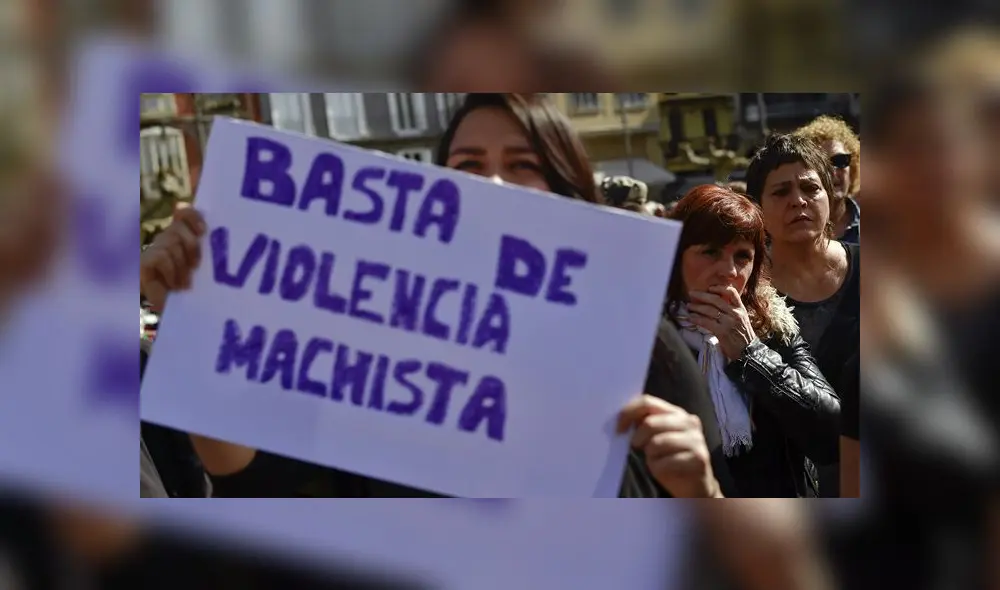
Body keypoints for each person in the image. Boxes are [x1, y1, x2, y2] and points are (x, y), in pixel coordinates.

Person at [140, 93, 730, 498]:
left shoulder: (639, 346)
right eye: (467, 164)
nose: (492, 183)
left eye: (521, 165)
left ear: (566, 188)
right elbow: (254, 477)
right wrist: (194, 316)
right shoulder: (375, 345)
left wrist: (699, 492)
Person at [664, 184, 841, 497]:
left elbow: (831, 438)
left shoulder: (773, 326)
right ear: (677, 257)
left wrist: (751, 354)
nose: (729, 271)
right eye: (710, 252)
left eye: (743, 256)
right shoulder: (650, 338)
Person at [744, 133, 859, 497]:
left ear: (830, 194)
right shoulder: (748, 294)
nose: (798, 201)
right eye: (780, 193)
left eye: (810, 188)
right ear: (757, 206)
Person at [793, 116, 861, 243]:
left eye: (840, 161)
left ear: (853, 167)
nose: (833, 172)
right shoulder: (792, 231)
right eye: (823, 164)